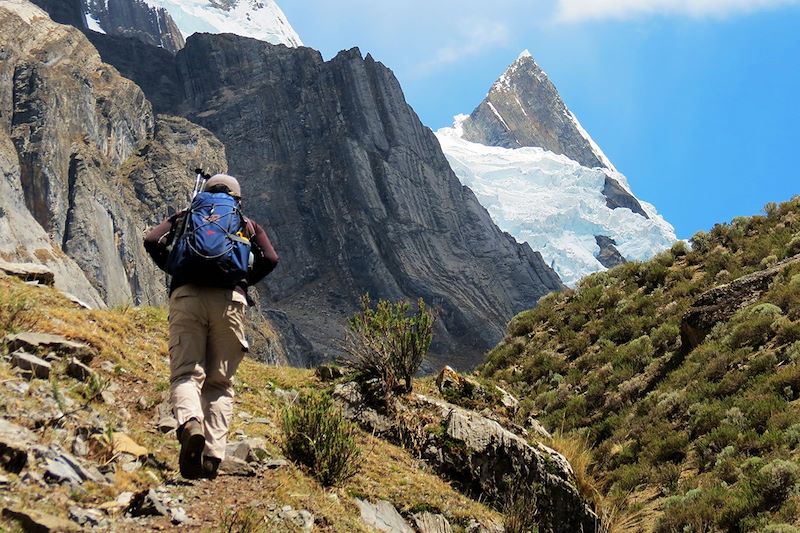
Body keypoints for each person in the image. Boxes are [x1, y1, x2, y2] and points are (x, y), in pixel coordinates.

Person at [144, 173, 279, 479]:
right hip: (230, 301)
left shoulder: (188, 215)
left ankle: (191, 423)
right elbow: (271, 258)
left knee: (186, 374)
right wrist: (242, 282)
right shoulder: (245, 223)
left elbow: (151, 240)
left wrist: (176, 270)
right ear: (237, 198)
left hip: (186, 297)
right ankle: (212, 457)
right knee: (219, 383)